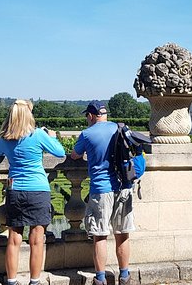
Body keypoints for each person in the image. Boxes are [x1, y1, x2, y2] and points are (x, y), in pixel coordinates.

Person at [0, 99, 66, 285]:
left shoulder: (5, 138)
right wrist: (50, 136)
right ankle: (34, 281)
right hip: (38, 190)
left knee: (13, 239)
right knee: (36, 240)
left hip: (16, 189)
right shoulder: (38, 135)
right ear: (29, 116)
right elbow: (60, 152)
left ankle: (11, 281)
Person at [70, 100, 134, 285]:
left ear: (91, 116)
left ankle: (100, 279)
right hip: (124, 187)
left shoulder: (87, 134)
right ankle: (124, 276)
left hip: (101, 189)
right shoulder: (120, 128)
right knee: (122, 234)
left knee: (100, 235)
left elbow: (75, 155)